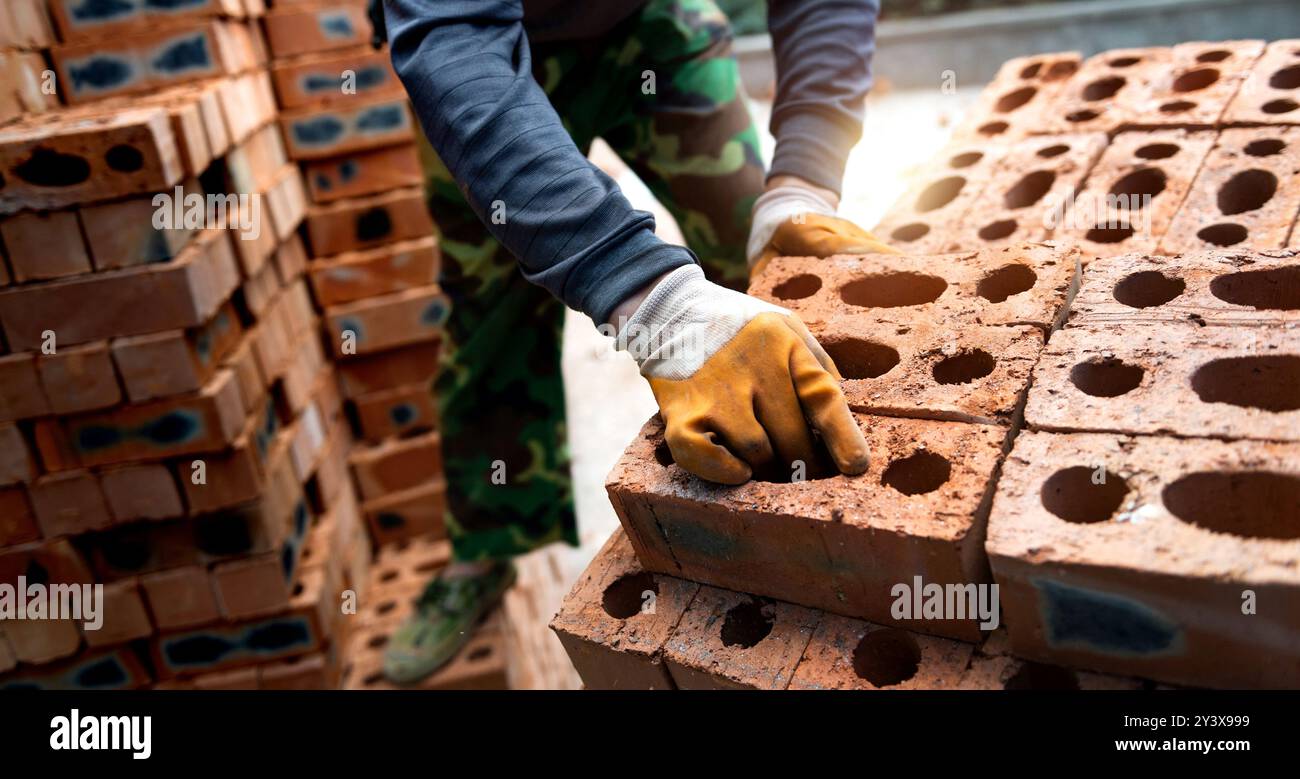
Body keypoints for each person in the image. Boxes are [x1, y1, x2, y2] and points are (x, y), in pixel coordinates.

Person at [372, 0, 892, 683]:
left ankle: (813, 486)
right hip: (487, 59)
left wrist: (804, 177)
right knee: (489, 324)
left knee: (765, 263)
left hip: (652, 24)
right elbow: (453, 45)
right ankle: (484, 546)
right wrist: (652, 304)